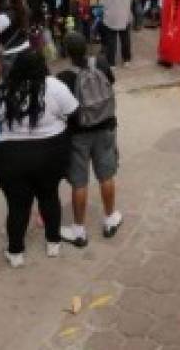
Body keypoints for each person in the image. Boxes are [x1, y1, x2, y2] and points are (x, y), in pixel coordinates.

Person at [0, 50, 76, 267]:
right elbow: (74, 113)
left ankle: (15, 253)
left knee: (17, 206)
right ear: (43, 67)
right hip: (51, 154)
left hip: (11, 158)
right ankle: (53, 243)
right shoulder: (55, 86)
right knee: (49, 197)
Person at [55, 33, 123, 248]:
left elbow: (61, 108)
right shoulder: (101, 62)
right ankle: (110, 217)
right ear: (86, 48)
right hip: (105, 128)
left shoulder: (64, 77)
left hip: (78, 134)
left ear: (67, 52)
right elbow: (111, 82)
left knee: (79, 182)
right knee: (106, 176)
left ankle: (78, 230)